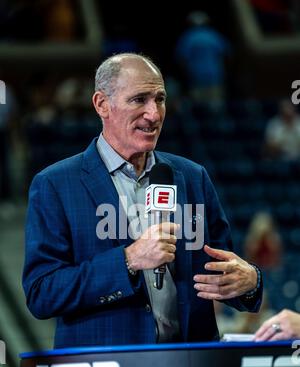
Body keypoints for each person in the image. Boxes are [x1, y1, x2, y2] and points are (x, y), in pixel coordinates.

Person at [22, 52, 262, 350]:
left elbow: (222, 271)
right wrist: (129, 260)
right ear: (101, 104)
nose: (154, 113)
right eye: (139, 100)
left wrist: (250, 281)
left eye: (160, 99)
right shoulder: (55, 184)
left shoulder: (192, 176)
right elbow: (42, 293)